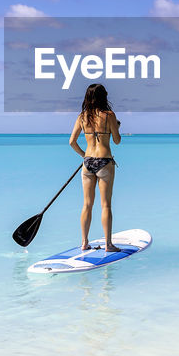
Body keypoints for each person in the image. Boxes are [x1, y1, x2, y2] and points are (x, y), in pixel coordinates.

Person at [69, 83, 122, 252]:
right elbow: (117, 140)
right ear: (103, 97)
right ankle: (108, 245)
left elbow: (72, 142)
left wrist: (85, 155)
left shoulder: (82, 117)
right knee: (105, 205)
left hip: (88, 163)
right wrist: (117, 127)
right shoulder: (109, 115)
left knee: (87, 205)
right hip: (105, 162)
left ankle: (84, 242)